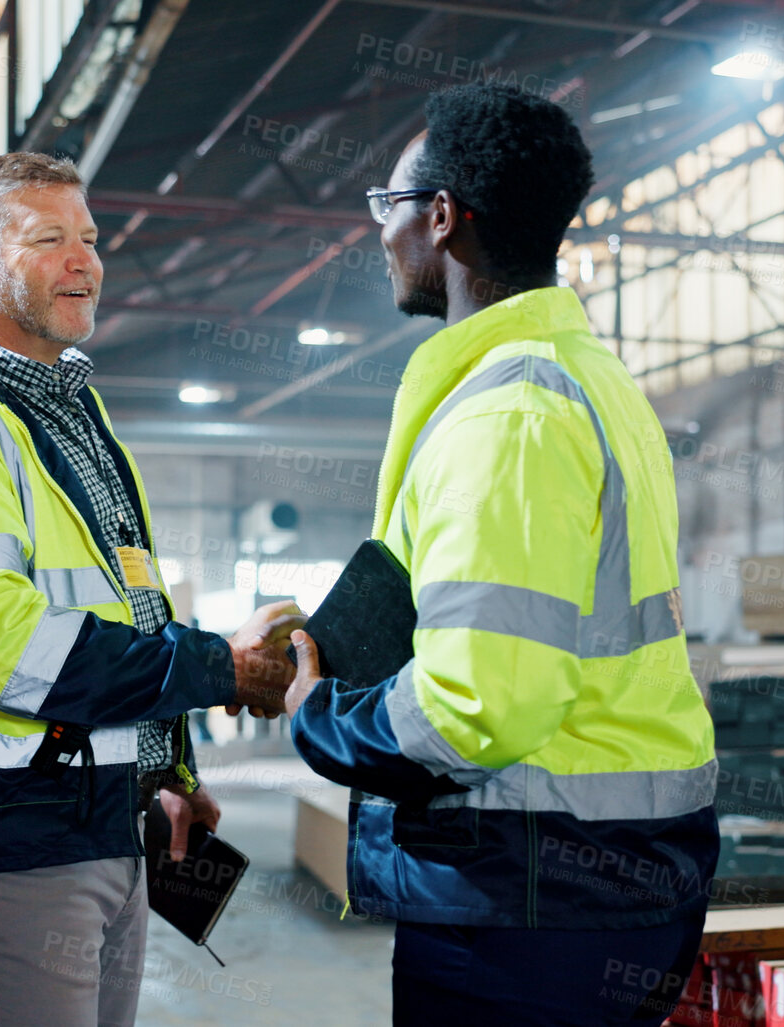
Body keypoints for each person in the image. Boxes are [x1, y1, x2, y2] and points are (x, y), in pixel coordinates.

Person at [283, 84, 720, 1025]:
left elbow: (477, 705)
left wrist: (318, 715)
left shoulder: (509, 412)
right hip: (601, 880)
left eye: (389, 204)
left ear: (441, 217)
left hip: (528, 896)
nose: (380, 230)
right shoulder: (589, 380)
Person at [0, 152, 301, 1027]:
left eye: (90, 238)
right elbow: (10, 650)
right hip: (6, 841)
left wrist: (163, 768)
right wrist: (220, 667)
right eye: (48, 239)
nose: (84, 261)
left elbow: (123, 609)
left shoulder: (73, 415)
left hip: (104, 821)